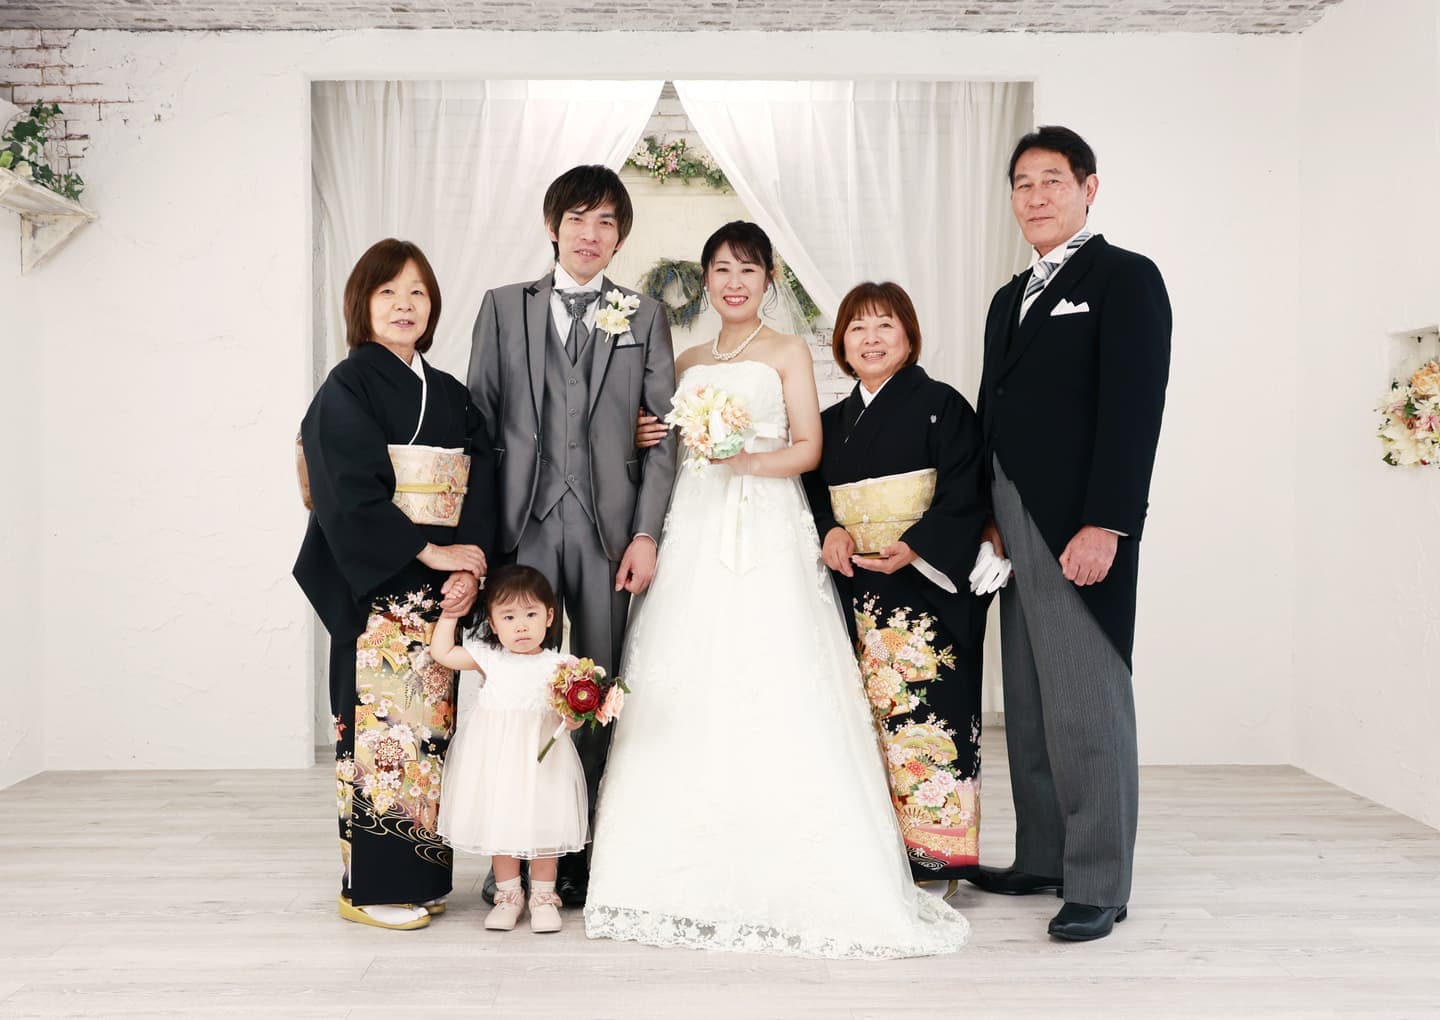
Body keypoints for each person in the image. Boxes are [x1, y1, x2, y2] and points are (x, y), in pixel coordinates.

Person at [584, 221, 969, 959]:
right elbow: (665, 444)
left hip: (764, 522)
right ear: (706, 278)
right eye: (722, 269)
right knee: (688, 676)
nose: (734, 283)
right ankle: (664, 872)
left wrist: (743, 460)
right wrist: (647, 438)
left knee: (775, 671)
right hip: (695, 525)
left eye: (748, 270)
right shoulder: (687, 359)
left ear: (767, 280)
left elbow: (808, 448)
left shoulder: (789, 351)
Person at [969, 126, 1171, 942]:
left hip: (1080, 521)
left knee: (1087, 703)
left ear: (1089, 188)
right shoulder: (1007, 296)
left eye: (1052, 180)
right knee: (1028, 698)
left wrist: (1107, 523)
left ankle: (1098, 881)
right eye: (1023, 184)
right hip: (1012, 517)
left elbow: (1134, 409)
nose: (1036, 196)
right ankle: (1044, 855)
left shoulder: (1125, 278)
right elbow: (992, 409)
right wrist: (988, 516)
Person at [466, 165, 678, 906]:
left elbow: (664, 437)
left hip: (605, 530)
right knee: (516, 690)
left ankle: (580, 853)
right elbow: (480, 425)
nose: (591, 234)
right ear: (552, 227)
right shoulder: (503, 307)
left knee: (596, 686)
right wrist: (481, 541)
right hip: (522, 527)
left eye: (606, 222)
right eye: (578, 219)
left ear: (620, 237)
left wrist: (646, 533)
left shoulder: (644, 315)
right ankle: (512, 850)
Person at [294, 238, 496, 930]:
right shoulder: (346, 387)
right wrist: (429, 551)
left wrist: (468, 566)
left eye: (417, 292)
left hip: (437, 595)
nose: (404, 305)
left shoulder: (451, 395)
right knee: (381, 736)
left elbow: (480, 480)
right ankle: (372, 889)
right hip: (379, 588)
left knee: (430, 735)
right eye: (388, 292)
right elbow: (345, 490)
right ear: (362, 304)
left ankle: (422, 878)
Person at [801, 281, 991, 889]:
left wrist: (917, 545)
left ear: (909, 336)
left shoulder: (943, 405)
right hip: (855, 587)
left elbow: (966, 489)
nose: (872, 338)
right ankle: (875, 854)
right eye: (858, 328)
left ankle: (939, 855)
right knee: (859, 720)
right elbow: (810, 494)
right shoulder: (830, 423)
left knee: (929, 714)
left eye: (885, 324)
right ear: (841, 344)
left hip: (924, 589)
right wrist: (830, 529)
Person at [429, 565, 587, 934]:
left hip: (544, 762)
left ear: (550, 617)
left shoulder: (560, 665)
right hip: (498, 759)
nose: (521, 626)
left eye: (531, 615)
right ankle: (509, 895)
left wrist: (574, 717)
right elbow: (443, 653)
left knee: (545, 824)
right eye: (509, 617)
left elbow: (572, 717)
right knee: (501, 822)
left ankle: (544, 896)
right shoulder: (490, 657)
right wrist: (450, 614)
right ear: (493, 623)